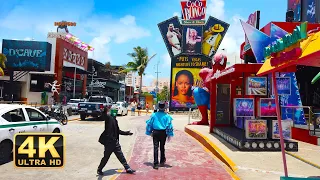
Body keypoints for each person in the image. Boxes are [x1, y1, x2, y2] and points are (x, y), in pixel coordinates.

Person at [97, 107, 136, 175]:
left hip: (115, 142)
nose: (115, 113)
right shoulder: (108, 118)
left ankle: (127, 168)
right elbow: (103, 116)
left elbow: (118, 131)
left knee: (121, 156)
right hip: (109, 143)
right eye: (114, 112)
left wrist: (127, 133)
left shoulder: (115, 120)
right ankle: (99, 169)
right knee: (106, 157)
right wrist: (104, 110)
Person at [145, 102, 174, 170]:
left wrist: (149, 132)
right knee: (162, 147)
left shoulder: (154, 115)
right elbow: (170, 126)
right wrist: (169, 134)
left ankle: (155, 164)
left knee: (155, 147)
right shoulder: (167, 116)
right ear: (164, 108)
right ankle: (162, 160)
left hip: (155, 132)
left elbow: (149, 124)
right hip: (163, 133)